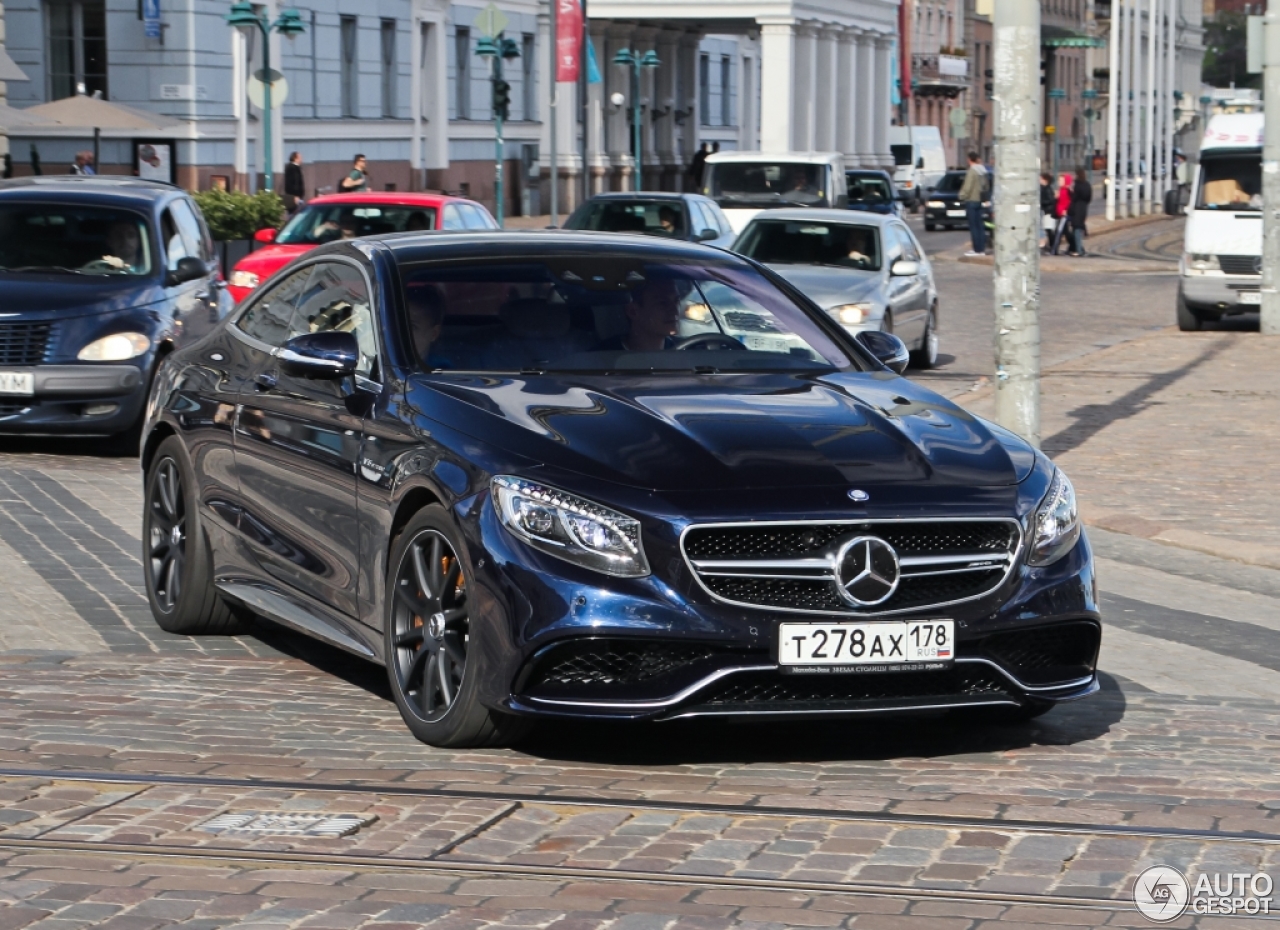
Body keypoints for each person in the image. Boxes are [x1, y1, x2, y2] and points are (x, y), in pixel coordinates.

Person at [599, 278, 682, 351]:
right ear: (633, 312)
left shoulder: (684, 349)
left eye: (676, 300)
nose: (675, 311)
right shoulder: (601, 357)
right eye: (662, 303)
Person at [958, 152, 988, 257]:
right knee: (980, 226)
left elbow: (967, 187)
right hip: (980, 200)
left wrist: (961, 196)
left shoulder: (972, 171)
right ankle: (982, 249)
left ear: (970, 159)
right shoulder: (983, 170)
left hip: (971, 200)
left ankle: (976, 250)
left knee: (974, 226)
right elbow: (986, 186)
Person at [1067, 167, 1093, 257]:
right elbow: (1089, 198)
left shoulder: (1077, 185)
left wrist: (1070, 192)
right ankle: (1079, 248)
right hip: (1083, 208)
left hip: (1076, 209)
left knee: (1076, 230)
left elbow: (1074, 198)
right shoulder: (1087, 185)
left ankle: (1079, 250)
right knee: (1078, 229)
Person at [1050, 172, 1073, 255]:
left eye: (1061, 180)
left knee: (1058, 232)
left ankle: (1054, 250)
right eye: (1059, 180)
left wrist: (1066, 211)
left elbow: (1070, 202)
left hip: (1064, 215)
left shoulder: (1067, 191)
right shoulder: (1060, 190)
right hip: (1060, 214)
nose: (1059, 181)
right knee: (1066, 233)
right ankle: (1074, 247)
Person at [1038, 172, 1056, 252]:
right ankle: (1048, 245)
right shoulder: (1042, 188)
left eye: (1041, 178)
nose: (1039, 180)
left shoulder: (1047, 189)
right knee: (1046, 228)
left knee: (1046, 229)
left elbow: (1050, 200)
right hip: (1045, 210)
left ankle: (1049, 245)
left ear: (1045, 180)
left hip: (1047, 211)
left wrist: (1041, 202)